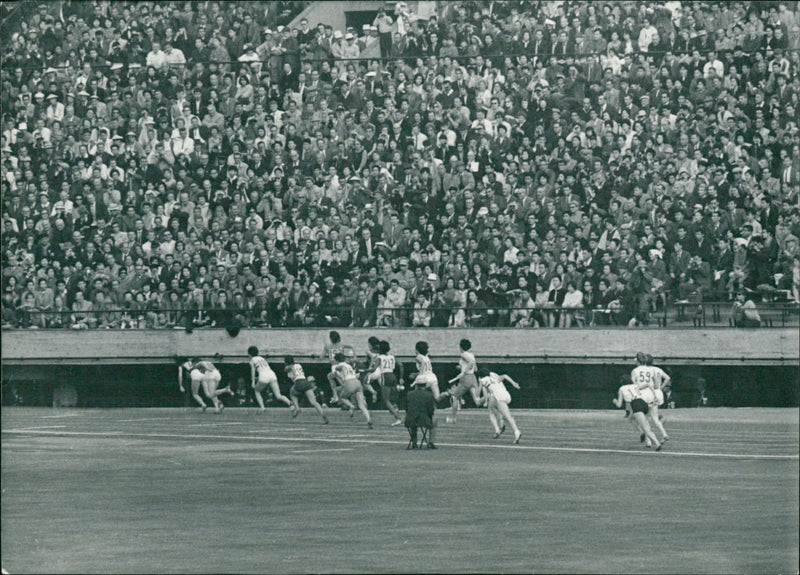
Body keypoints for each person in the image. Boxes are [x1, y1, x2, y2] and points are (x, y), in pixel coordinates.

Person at [612, 374, 662, 451]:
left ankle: (657, 443)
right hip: (644, 403)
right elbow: (648, 384)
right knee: (631, 418)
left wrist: (614, 401)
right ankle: (644, 435)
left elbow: (619, 405)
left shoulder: (621, 389)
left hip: (636, 405)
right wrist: (654, 395)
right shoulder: (635, 385)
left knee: (646, 429)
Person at [630, 352, 670, 444]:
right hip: (652, 394)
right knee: (655, 418)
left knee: (640, 419)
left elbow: (634, 385)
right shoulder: (651, 370)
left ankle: (648, 441)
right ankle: (664, 434)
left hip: (641, 395)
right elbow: (656, 385)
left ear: (638, 361)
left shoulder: (635, 371)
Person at [476, 367, 522, 444]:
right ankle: (498, 427)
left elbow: (481, 392)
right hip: (505, 394)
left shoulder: (482, 380)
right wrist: (513, 383)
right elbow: (504, 376)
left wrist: (485, 400)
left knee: (507, 416)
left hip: (498, 396)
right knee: (491, 408)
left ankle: (516, 432)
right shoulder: (493, 374)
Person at [441, 338, 482, 423]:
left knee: (455, 397)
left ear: (461, 347)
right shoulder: (472, 355)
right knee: (477, 401)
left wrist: (463, 371)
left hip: (466, 378)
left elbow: (470, 362)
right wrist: (462, 367)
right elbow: (475, 369)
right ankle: (488, 397)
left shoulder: (463, 354)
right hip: (473, 377)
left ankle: (453, 418)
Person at [248, 345, 295, 414]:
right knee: (278, 395)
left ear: (249, 354)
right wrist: (258, 378)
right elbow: (265, 370)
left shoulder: (252, 360)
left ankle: (262, 408)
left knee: (257, 391)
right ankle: (290, 403)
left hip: (263, 376)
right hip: (272, 374)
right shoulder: (262, 358)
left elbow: (253, 371)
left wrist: (253, 381)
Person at [366, 340, 404, 426]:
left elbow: (374, 369)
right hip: (393, 375)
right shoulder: (392, 356)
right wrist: (401, 377)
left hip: (385, 376)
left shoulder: (380, 358)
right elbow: (401, 365)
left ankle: (398, 418)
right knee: (392, 397)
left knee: (386, 400)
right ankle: (394, 408)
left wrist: (366, 370)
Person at [331, 352, 372, 428]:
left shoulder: (338, 366)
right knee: (361, 405)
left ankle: (351, 406)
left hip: (349, 382)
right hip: (357, 382)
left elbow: (336, 373)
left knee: (342, 397)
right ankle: (368, 419)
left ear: (337, 360)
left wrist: (335, 372)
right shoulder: (349, 365)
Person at [285, 355, 328, 424]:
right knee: (313, 402)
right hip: (306, 382)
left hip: (298, 382)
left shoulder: (289, 367)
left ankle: (297, 408)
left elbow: (290, 372)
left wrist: (288, 369)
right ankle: (322, 414)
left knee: (292, 393)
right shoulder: (299, 365)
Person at [323, 330, 355, 405]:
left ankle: (336, 396)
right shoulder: (342, 345)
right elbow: (352, 347)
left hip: (335, 365)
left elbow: (321, 356)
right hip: (343, 364)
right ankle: (338, 396)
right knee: (340, 380)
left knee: (338, 380)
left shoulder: (327, 346)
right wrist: (354, 356)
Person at [405, 378, 437, 449]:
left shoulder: (409, 394)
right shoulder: (429, 395)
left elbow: (406, 408)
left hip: (410, 420)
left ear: (416, 385)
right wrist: (430, 416)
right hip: (424, 420)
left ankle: (414, 442)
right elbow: (431, 410)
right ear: (425, 385)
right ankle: (431, 442)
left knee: (413, 419)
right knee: (435, 421)